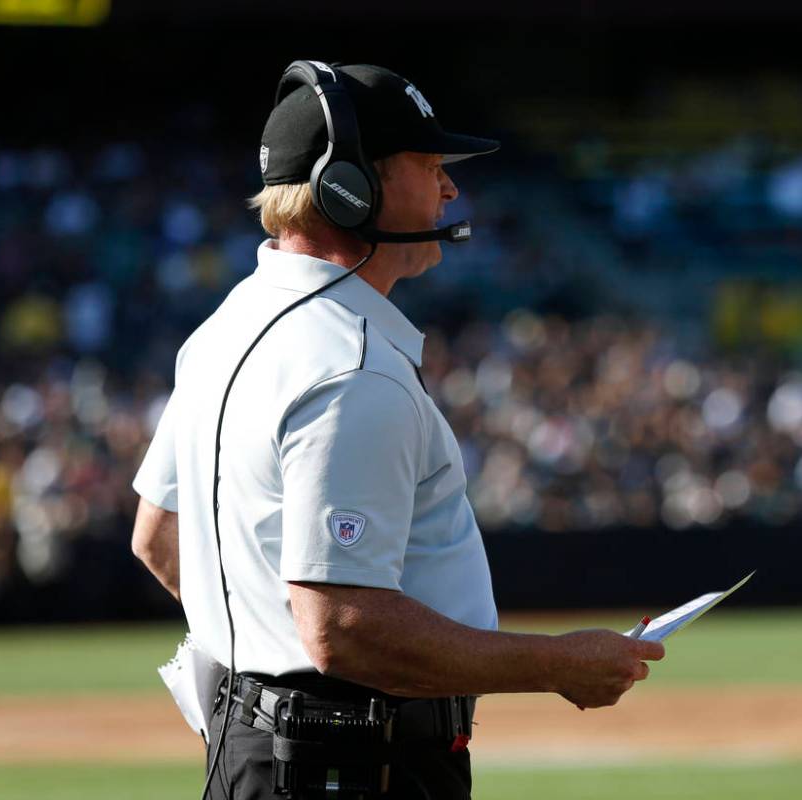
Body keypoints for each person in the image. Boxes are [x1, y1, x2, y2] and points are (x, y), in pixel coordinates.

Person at [131, 61, 664, 800]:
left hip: (262, 752)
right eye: (431, 165)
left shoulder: (225, 326)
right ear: (350, 187)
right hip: (353, 765)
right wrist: (555, 663)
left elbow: (158, 538)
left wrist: (260, 666)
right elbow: (341, 628)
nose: (449, 188)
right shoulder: (348, 368)